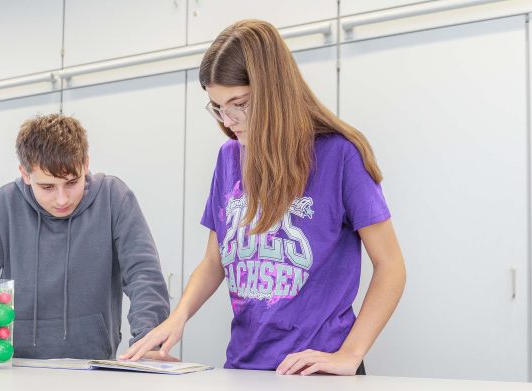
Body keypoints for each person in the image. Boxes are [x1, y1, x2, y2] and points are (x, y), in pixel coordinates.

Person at [121, 19, 407, 376]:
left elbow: (391, 266)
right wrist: (177, 319)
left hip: (315, 370)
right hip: (244, 368)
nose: (229, 120)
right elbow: (215, 261)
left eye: (240, 104)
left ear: (274, 92)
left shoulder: (340, 155)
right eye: (218, 107)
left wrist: (350, 353)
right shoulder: (229, 158)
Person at [0, 113, 172, 361]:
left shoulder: (114, 198)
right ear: (25, 174)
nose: (62, 199)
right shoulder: (3, 206)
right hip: (17, 366)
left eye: (72, 182)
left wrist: (148, 342)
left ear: (85, 164)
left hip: (92, 368)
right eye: (47, 187)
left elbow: (143, 275)